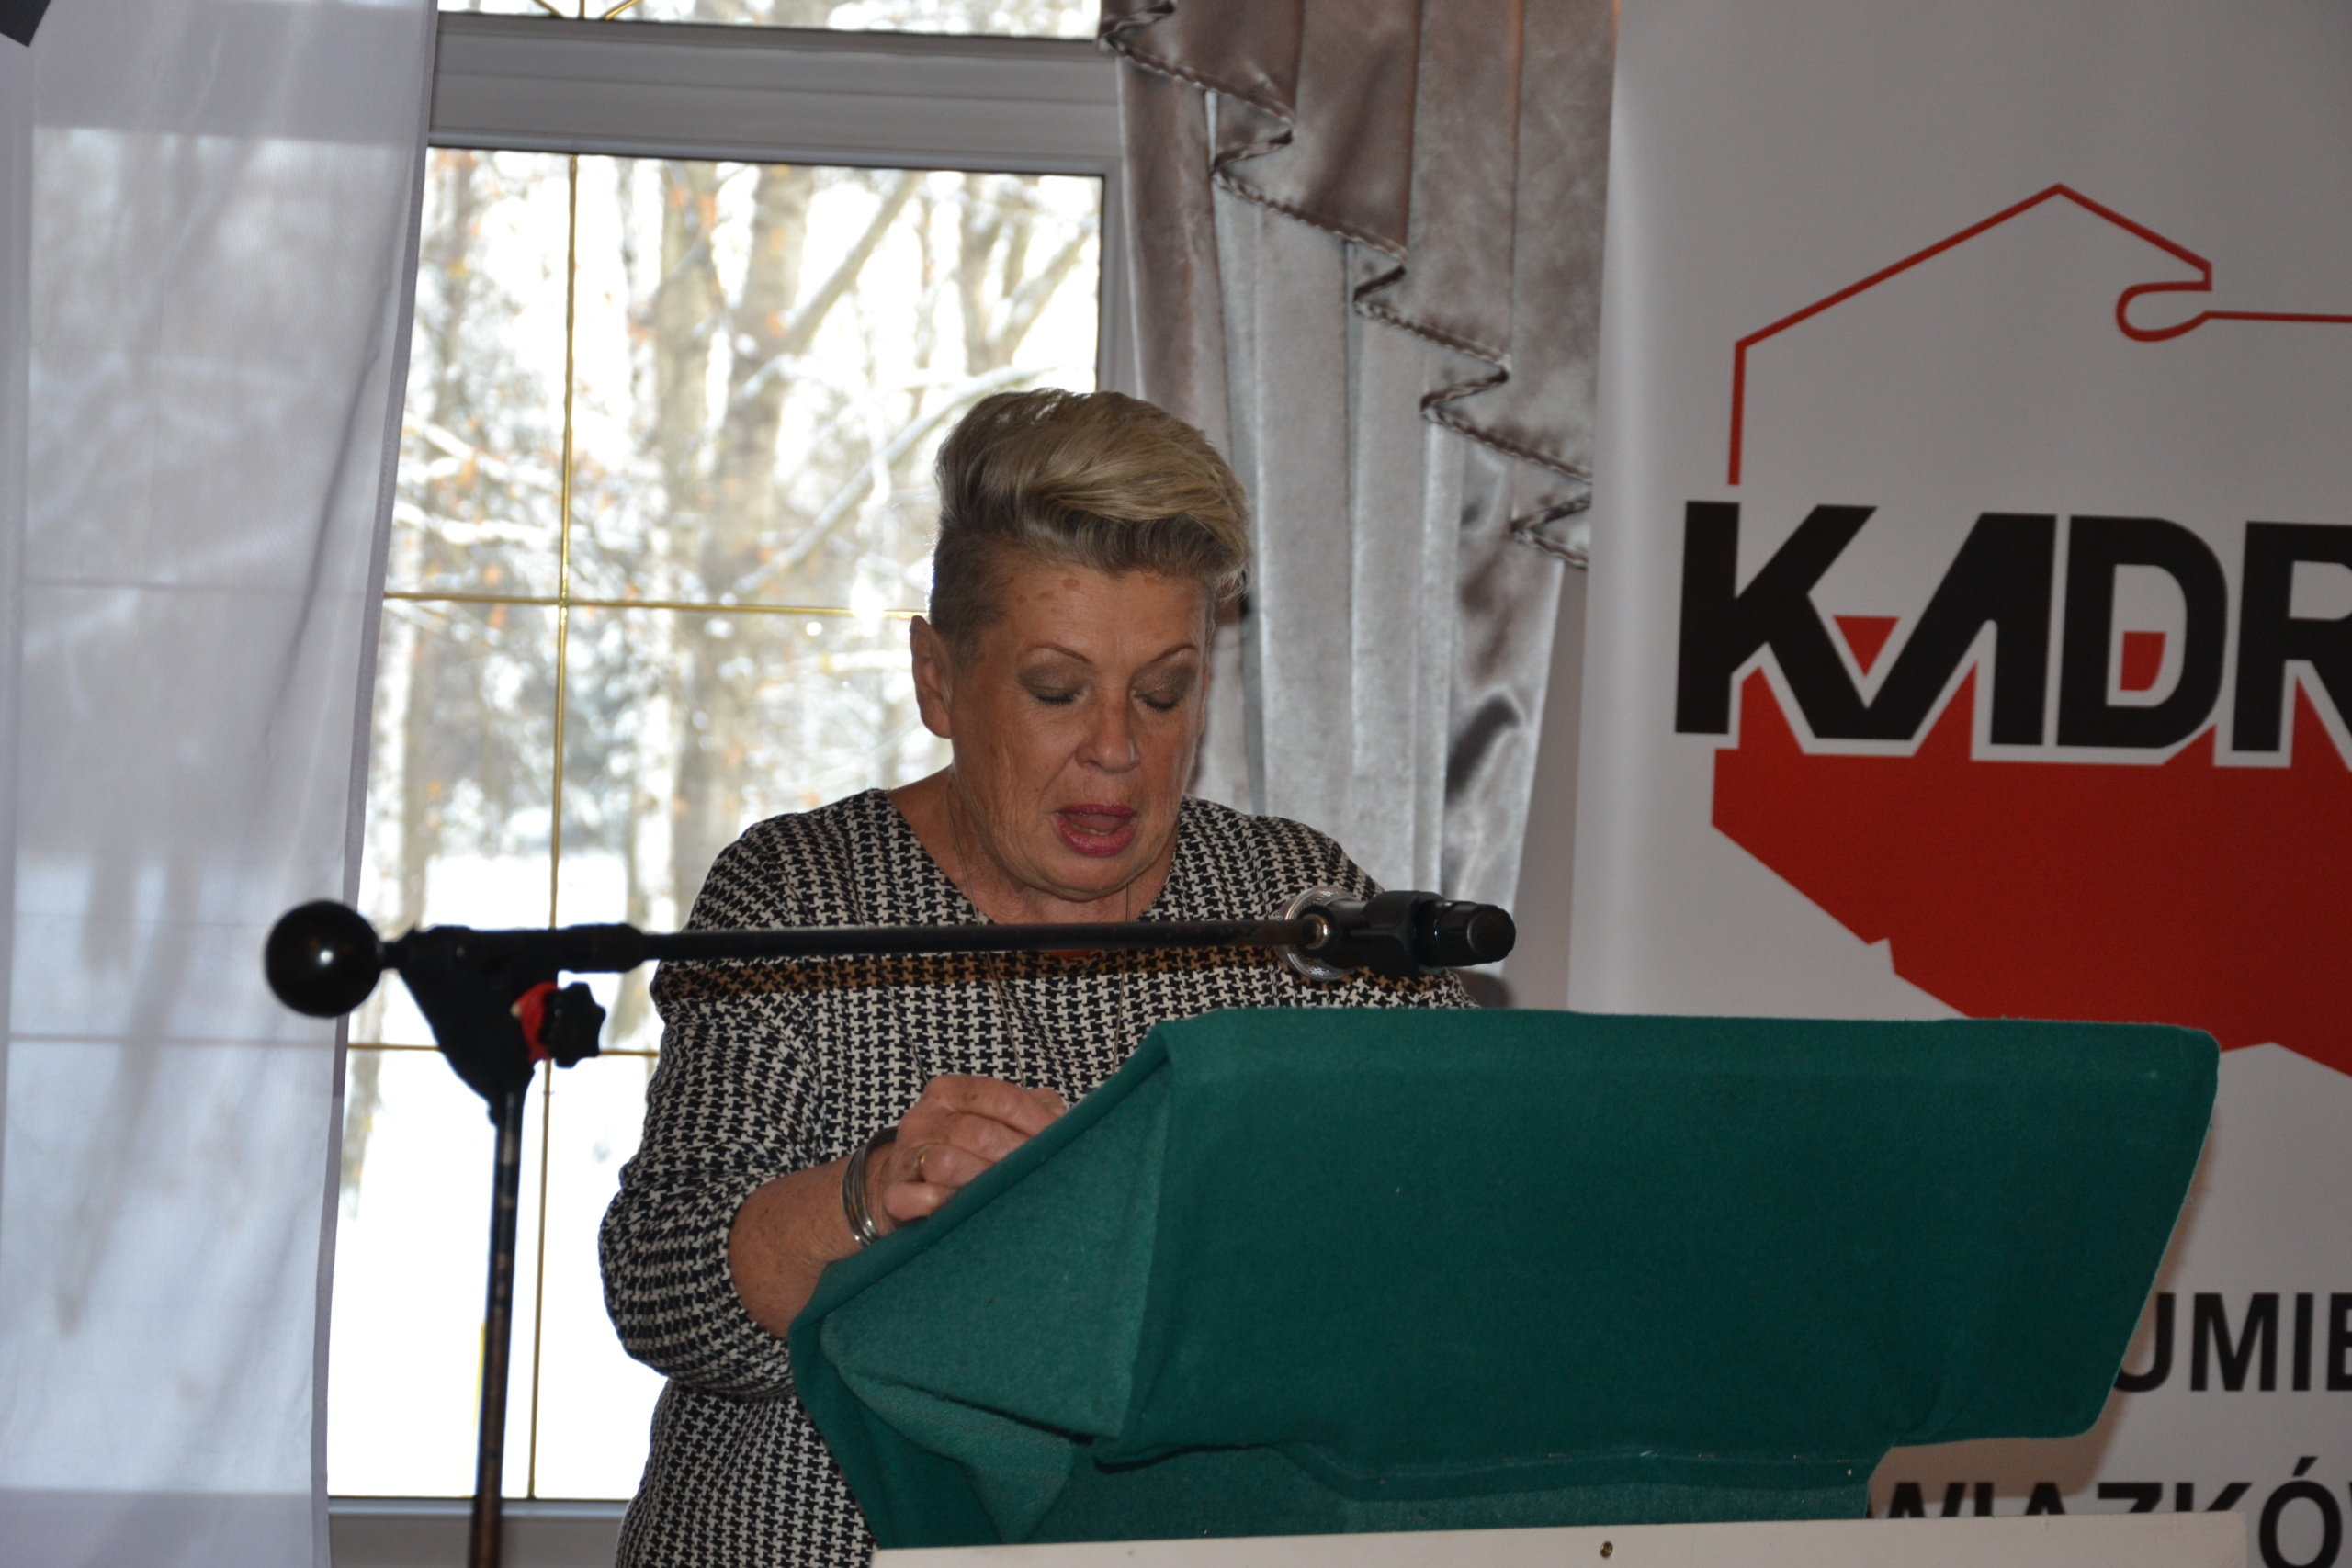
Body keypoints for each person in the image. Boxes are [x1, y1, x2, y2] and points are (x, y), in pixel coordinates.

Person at [600, 389, 1469, 1568]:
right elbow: (658, 1283)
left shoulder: (1301, 913)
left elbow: (1458, 1232)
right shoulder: (800, 896)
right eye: (1057, 691)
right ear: (937, 678)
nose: (1116, 747)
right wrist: (870, 1197)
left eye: (1162, 693)